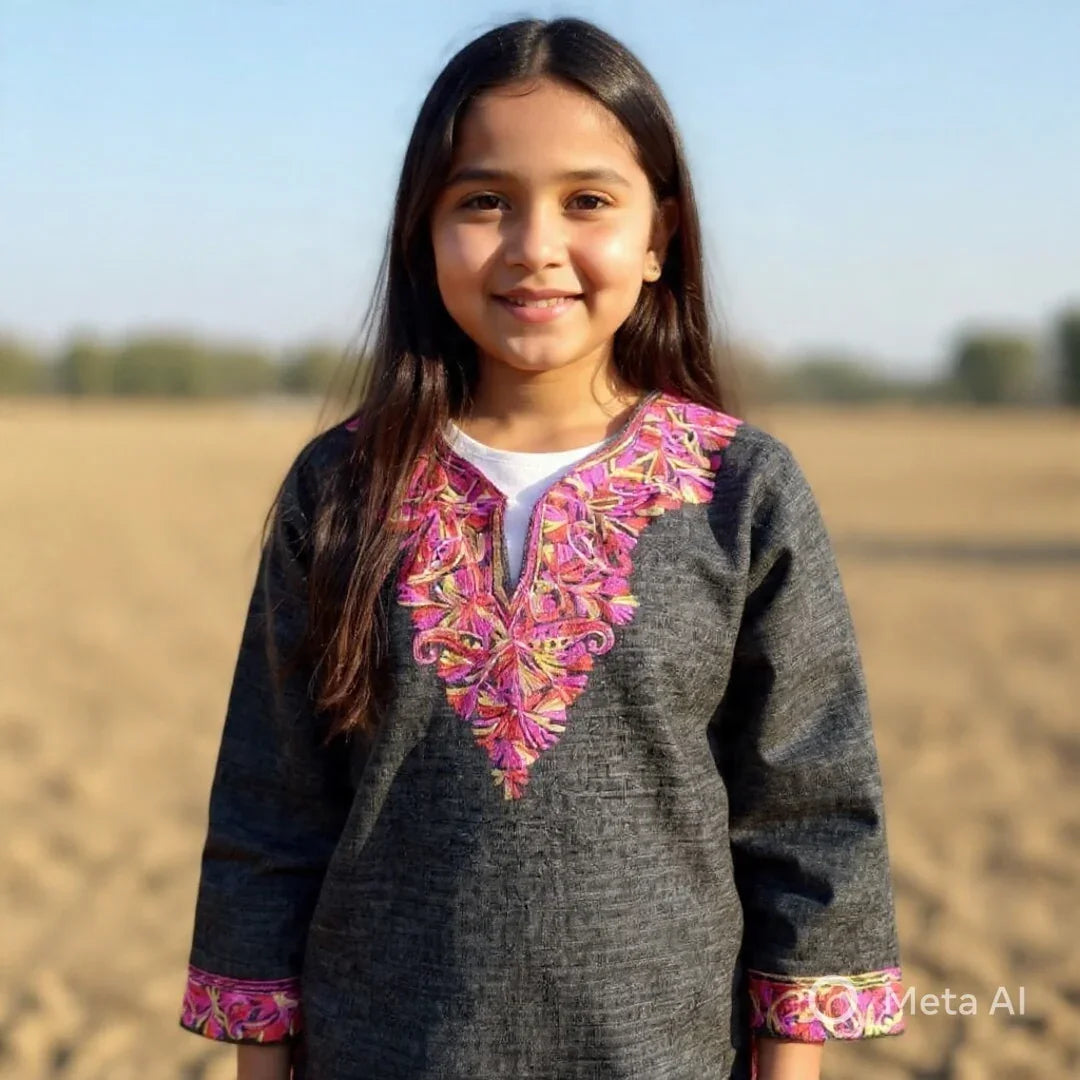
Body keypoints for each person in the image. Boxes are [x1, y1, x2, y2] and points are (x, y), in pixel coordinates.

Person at [177, 16, 906, 1080]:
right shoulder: (338, 488)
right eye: (483, 201)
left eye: (589, 202)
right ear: (423, 236)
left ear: (661, 236)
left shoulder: (742, 488)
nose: (533, 246)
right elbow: (271, 808)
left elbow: (811, 811)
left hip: (661, 1055)